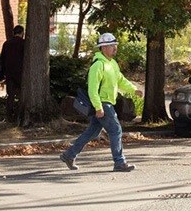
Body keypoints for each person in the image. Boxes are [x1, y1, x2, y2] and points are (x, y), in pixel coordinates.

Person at [60, 32, 142, 172]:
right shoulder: (98, 65)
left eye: (115, 45)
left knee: (92, 132)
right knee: (116, 130)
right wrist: (98, 107)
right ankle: (119, 162)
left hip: (105, 104)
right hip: (103, 104)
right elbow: (92, 89)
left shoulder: (112, 64)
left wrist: (134, 89)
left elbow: (120, 80)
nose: (115, 48)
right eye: (111, 46)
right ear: (103, 48)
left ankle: (69, 155)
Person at [0, 25, 25, 122]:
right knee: (22, 94)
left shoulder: (7, 43)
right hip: (20, 72)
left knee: (10, 95)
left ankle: (9, 115)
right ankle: (19, 114)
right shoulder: (23, 43)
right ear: (22, 33)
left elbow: (2, 59)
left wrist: (1, 74)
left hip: (9, 73)